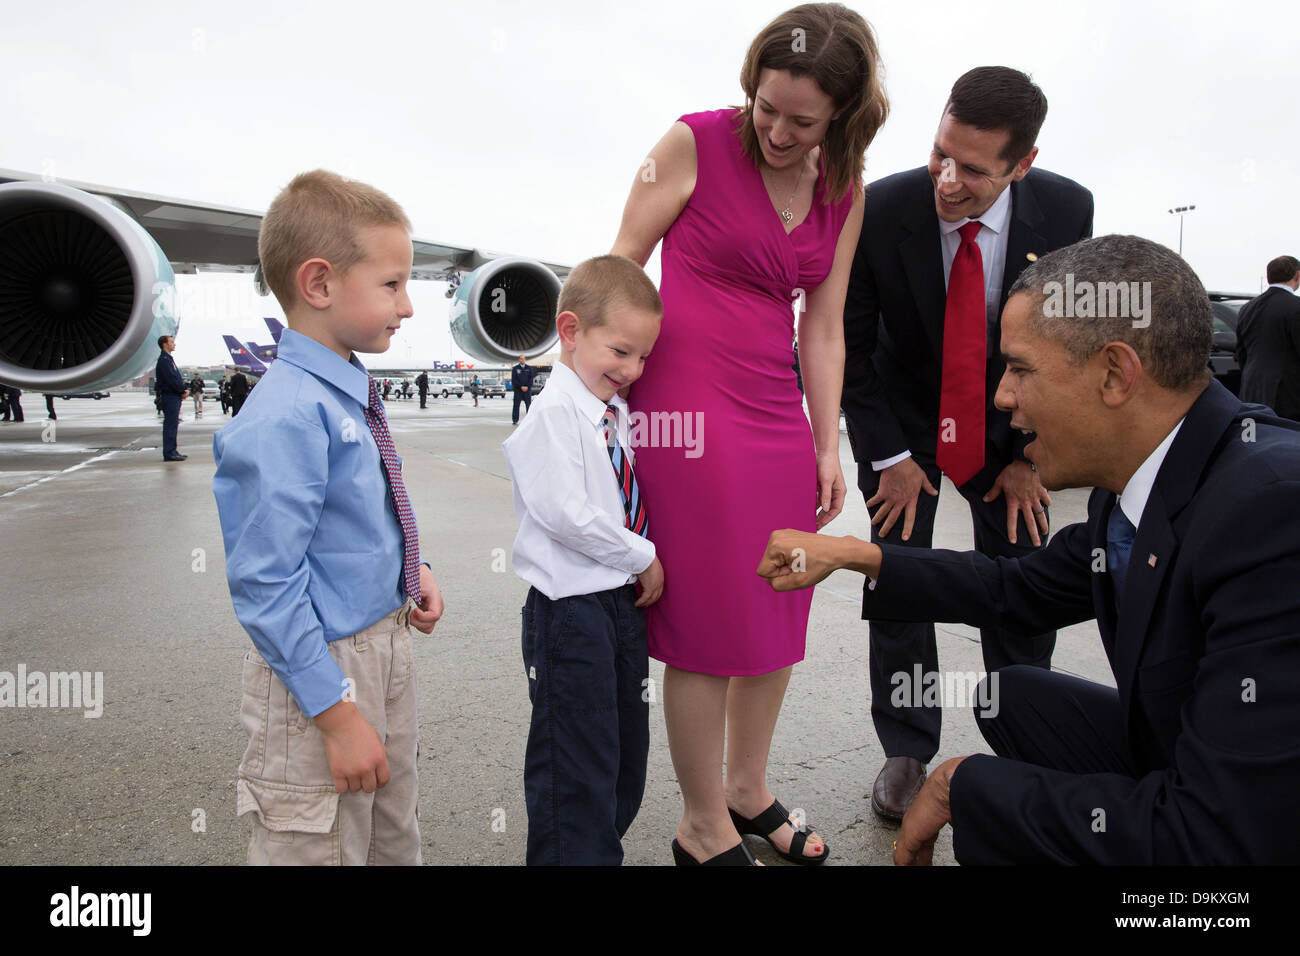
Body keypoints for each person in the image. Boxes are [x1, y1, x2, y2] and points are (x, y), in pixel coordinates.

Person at [758, 234, 1300, 864]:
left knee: (997, 806)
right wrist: (852, 553)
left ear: (1116, 374)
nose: (1001, 397)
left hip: (1243, 841)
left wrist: (970, 790)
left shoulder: (1271, 510)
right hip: (1197, 754)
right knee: (1011, 694)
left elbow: (1221, 841)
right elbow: (1016, 590)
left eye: (1019, 368)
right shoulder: (1149, 477)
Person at [610, 3, 883, 865]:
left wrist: (824, 439)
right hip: (688, 409)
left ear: (842, 114)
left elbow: (825, 325)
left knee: (778, 598)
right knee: (708, 617)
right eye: (767, 107)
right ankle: (699, 822)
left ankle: (745, 789)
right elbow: (621, 262)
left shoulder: (846, 186)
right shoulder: (692, 141)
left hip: (775, 411)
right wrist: (598, 394)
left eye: (801, 120)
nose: (776, 129)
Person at [841, 66, 1095, 820]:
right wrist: (887, 456)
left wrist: (1028, 456)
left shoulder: (1066, 208)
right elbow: (848, 346)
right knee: (899, 582)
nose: (948, 180)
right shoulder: (881, 208)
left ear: (1024, 164)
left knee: (1024, 588)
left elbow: (1064, 342)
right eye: (939, 154)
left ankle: (1021, 740)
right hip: (905, 425)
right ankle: (908, 747)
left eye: (974, 169)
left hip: (1005, 422)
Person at [212, 169, 445, 865]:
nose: (406, 306)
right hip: (318, 667)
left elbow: (357, 516)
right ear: (319, 285)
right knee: (314, 842)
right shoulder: (287, 413)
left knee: (385, 834)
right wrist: (335, 713)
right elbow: (264, 581)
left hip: (383, 642)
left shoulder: (346, 392)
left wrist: (414, 568)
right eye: (392, 284)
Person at [502, 255, 665, 865]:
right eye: (620, 352)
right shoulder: (554, 415)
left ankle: (599, 851)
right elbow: (564, 512)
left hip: (616, 607)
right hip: (570, 612)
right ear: (570, 332)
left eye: (643, 357)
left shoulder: (609, 412)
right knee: (575, 763)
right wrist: (642, 554)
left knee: (623, 750)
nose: (632, 370)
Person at [1235, 254, 1300, 419]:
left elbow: (1241, 352)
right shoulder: (1296, 307)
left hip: (1250, 391)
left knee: (1251, 440)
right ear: (1297, 275)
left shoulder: (1247, 308)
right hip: (1287, 396)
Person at [155, 335, 189, 461]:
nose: (174, 344)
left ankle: (173, 450)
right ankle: (169, 452)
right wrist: (182, 390)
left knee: (173, 424)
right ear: (165, 344)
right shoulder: (164, 360)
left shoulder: (168, 359)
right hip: (170, 397)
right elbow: (171, 379)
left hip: (173, 396)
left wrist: (183, 389)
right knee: (170, 424)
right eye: (171, 342)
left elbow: (176, 378)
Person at [510, 355, 535, 425]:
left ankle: (529, 419)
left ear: (525, 360)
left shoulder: (529, 368)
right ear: (519, 360)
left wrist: (527, 386)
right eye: (521, 359)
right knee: (516, 405)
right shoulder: (515, 369)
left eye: (523, 359)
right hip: (518, 390)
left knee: (528, 405)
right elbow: (514, 380)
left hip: (527, 390)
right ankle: (515, 420)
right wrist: (521, 386)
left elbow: (531, 379)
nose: (522, 360)